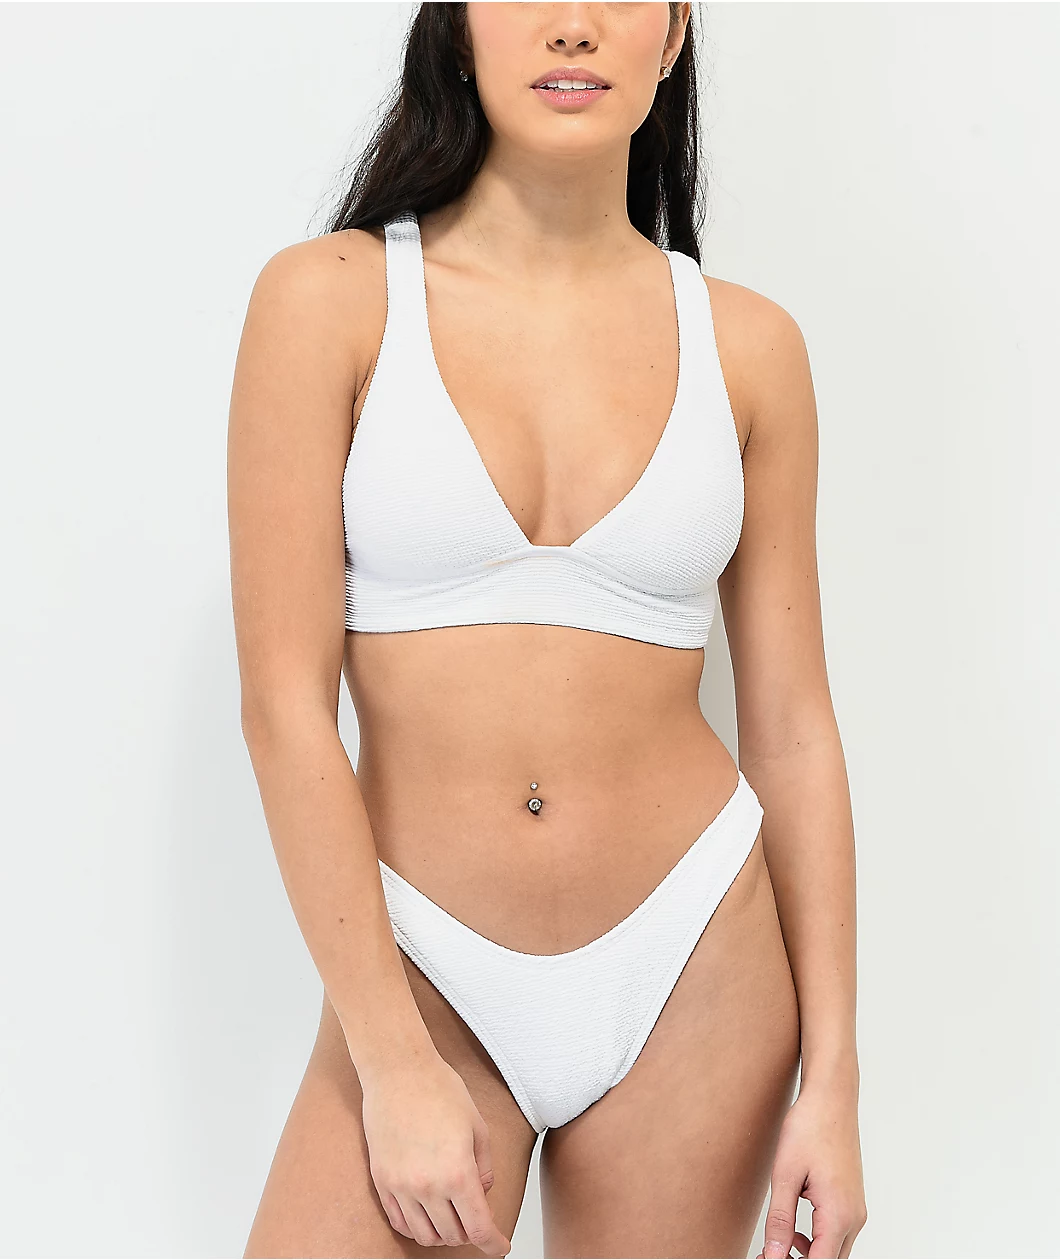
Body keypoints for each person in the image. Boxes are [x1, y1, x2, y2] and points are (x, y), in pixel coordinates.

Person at [227, 3, 867, 1257]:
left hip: (696, 967)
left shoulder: (751, 348)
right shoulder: (330, 302)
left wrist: (834, 1081)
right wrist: (388, 1060)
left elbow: (794, 731)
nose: (572, 26)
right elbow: (283, 709)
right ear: (458, 27)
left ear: (672, 37)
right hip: (421, 971)